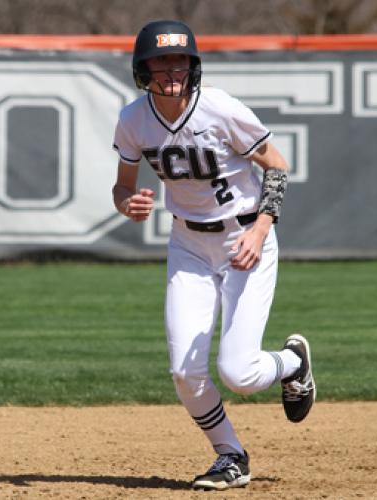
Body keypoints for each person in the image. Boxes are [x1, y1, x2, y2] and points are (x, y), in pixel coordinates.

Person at [112, 19, 316, 491]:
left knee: (239, 373)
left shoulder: (220, 108)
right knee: (185, 371)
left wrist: (262, 228)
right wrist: (128, 203)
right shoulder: (133, 119)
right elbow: (123, 188)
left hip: (246, 240)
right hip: (188, 245)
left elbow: (277, 166)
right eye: (161, 60)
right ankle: (230, 455)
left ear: (193, 64)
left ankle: (292, 363)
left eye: (180, 59)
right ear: (143, 69)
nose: (172, 69)